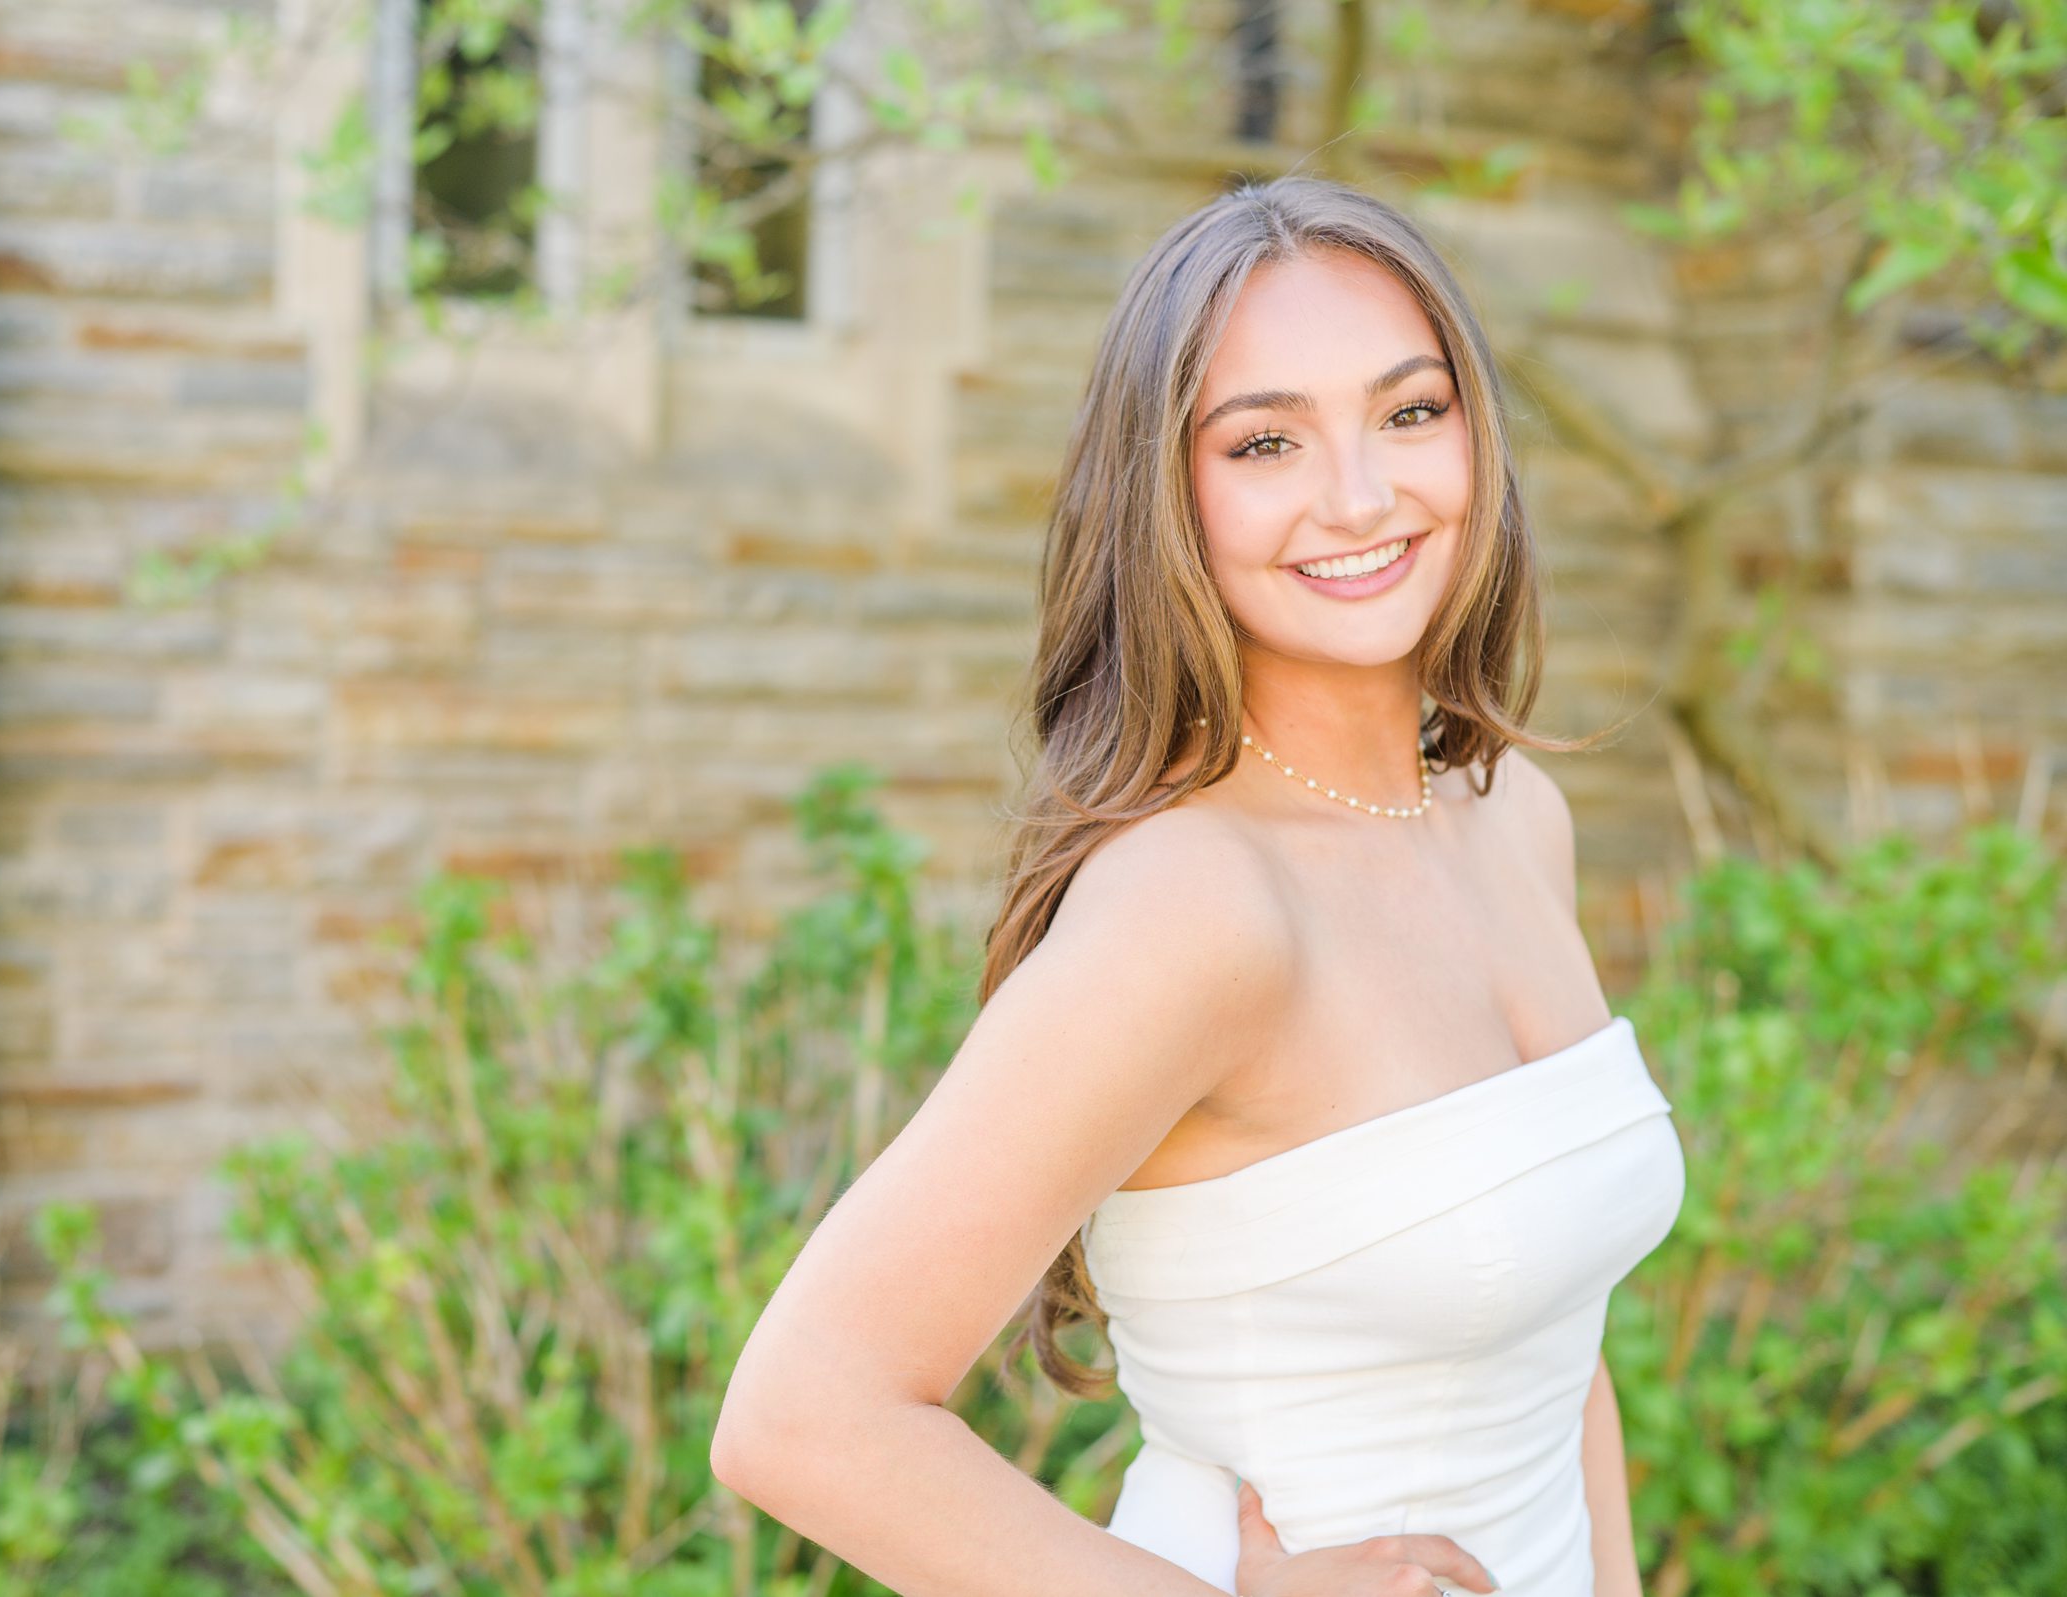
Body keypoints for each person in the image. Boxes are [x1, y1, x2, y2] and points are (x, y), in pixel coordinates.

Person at [710, 173, 1683, 1597]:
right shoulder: (1197, 906)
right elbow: (804, 1414)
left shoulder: (1511, 816)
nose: (1360, 494)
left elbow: (1555, 1334)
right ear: (1168, 495)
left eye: (1411, 411)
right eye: (1266, 441)